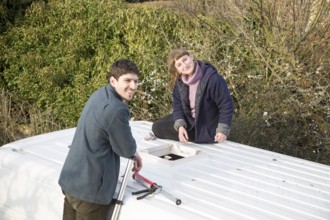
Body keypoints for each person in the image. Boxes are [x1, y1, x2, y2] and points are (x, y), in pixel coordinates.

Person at [58, 59, 143, 220]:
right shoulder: (116, 108)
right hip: (90, 193)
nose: (133, 86)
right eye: (127, 80)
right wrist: (134, 152)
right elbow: (125, 149)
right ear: (113, 80)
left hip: (71, 181)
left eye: (136, 81)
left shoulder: (99, 94)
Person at [152, 48, 234, 143]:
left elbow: (226, 106)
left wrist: (222, 130)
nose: (184, 65)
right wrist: (180, 126)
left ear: (191, 57)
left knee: (159, 128)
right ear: (177, 70)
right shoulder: (180, 84)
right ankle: (184, 132)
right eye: (179, 65)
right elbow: (177, 106)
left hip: (205, 127)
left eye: (185, 59)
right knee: (158, 125)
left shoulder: (213, 79)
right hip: (189, 121)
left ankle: (200, 137)